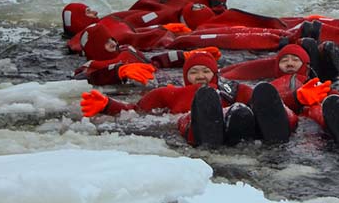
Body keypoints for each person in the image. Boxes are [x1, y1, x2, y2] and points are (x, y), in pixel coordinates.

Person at [79, 52, 296, 146]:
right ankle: (205, 126)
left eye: (205, 72)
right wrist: (108, 105)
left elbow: (266, 104)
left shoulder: (233, 89)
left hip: (236, 119)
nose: (200, 76)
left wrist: (294, 100)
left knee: (255, 101)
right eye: (194, 72)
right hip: (194, 121)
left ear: (215, 74)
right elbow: (134, 110)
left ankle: (278, 127)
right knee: (191, 113)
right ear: (185, 77)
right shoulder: (168, 93)